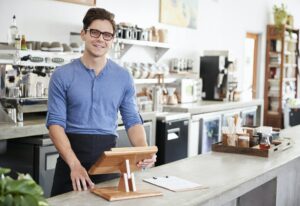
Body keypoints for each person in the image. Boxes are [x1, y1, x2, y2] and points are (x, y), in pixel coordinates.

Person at [46, 7, 156, 196]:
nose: (100, 39)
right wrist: (74, 164)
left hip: (108, 163)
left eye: (107, 35)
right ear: (83, 34)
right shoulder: (61, 75)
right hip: (70, 161)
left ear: (113, 40)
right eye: (95, 32)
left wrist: (143, 151)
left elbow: (132, 120)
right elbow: (55, 124)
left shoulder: (123, 77)